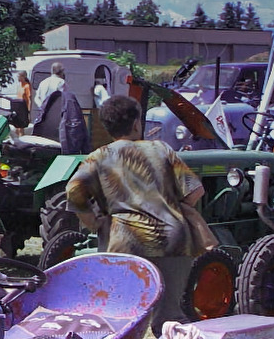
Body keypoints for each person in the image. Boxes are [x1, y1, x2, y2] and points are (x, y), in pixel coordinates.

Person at [66, 95, 214, 259]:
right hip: (173, 243)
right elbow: (196, 191)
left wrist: (93, 223)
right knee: (172, 285)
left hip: (125, 244)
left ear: (107, 127)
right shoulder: (161, 149)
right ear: (136, 124)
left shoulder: (98, 157)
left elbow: (74, 190)